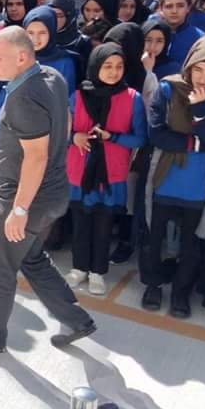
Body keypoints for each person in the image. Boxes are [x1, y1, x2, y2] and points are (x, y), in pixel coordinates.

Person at [0, 26, 97, 352]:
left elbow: (36, 157)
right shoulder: (51, 77)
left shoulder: (22, 99)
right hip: (55, 193)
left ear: (22, 56)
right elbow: (67, 123)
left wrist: (18, 209)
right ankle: (77, 320)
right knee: (32, 259)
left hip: (26, 199)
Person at [139, 35, 205, 318]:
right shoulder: (168, 88)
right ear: (189, 65)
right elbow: (157, 135)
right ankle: (153, 285)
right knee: (155, 237)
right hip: (165, 178)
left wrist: (200, 112)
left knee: (192, 245)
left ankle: (180, 292)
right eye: (199, 69)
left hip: (199, 185)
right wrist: (195, 142)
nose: (204, 78)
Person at [63, 43, 146, 298]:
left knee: (103, 223)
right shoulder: (77, 96)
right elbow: (62, 131)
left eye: (119, 66)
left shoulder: (132, 98)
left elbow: (140, 138)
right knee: (80, 222)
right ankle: (79, 268)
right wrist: (74, 136)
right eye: (107, 66)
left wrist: (112, 137)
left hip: (112, 172)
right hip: (80, 170)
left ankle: (98, 271)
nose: (113, 72)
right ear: (95, 67)